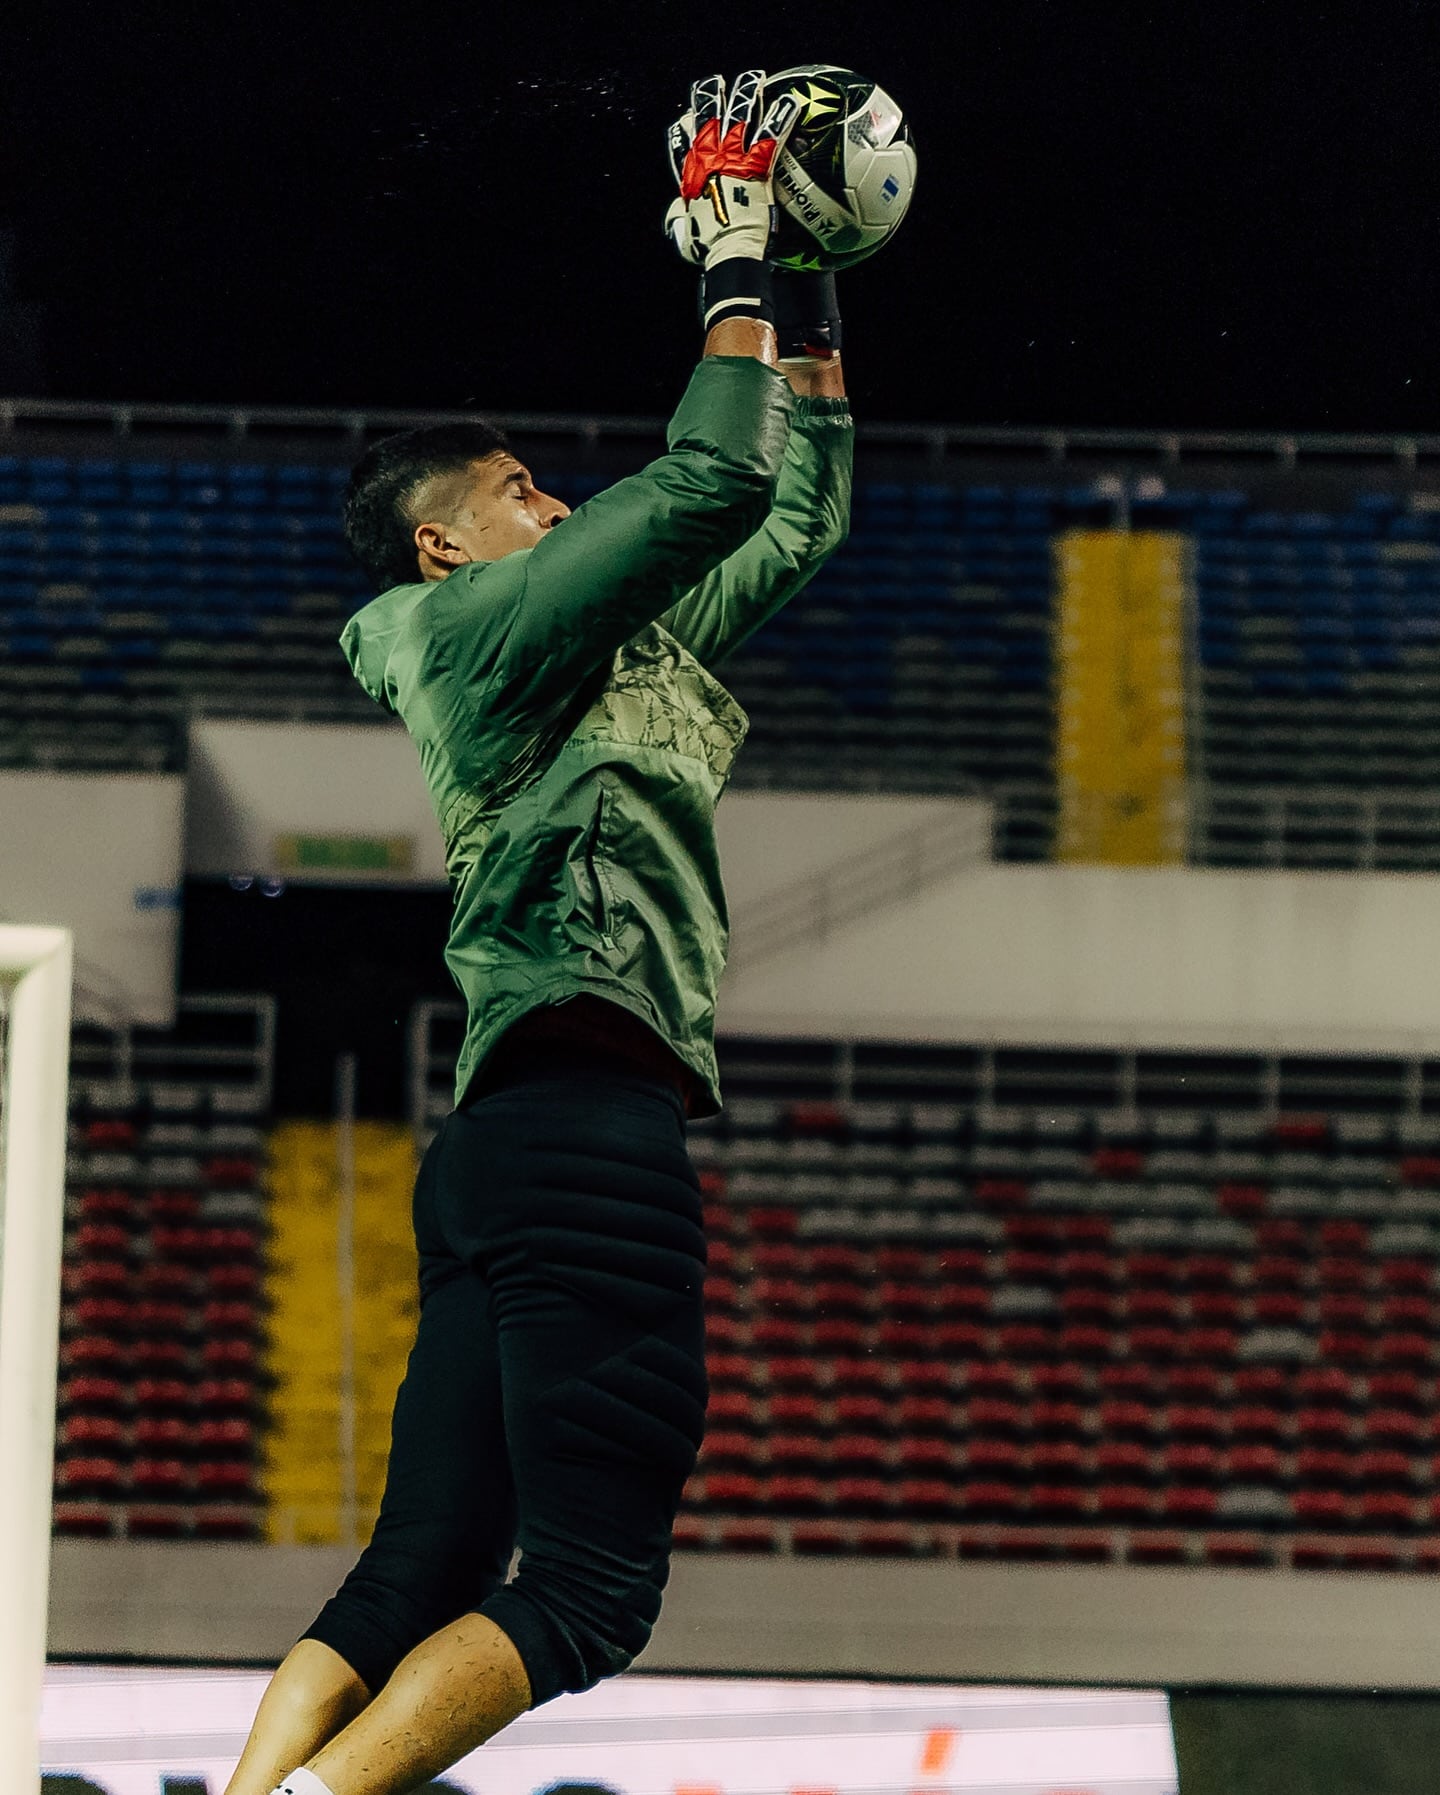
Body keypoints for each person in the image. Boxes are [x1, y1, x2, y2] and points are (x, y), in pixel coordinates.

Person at [226, 68, 853, 1795]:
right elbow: (712, 478)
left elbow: (788, 510)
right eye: (520, 490)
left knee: (413, 1571)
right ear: (447, 545)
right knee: (585, 1593)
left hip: (515, 1138)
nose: (556, 507)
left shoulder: (578, 643)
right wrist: (727, 264)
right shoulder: (474, 635)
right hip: (589, 1124)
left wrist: (804, 277)